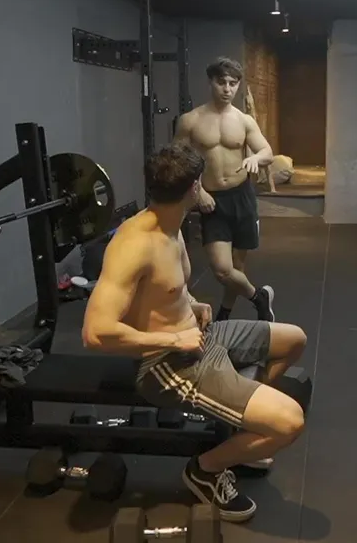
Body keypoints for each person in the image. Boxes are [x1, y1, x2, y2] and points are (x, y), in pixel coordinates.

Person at [83, 143, 308, 523]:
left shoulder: (171, 223)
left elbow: (165, 288)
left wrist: (191, 303)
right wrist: (173, 339)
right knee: (290, 422)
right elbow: (95, 332)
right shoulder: (134, 244)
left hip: (199, 335)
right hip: (167, 363)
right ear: (193, 188)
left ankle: (241, 433)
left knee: (293, 340)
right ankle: (206, 469)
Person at [174, 57, 277, 322]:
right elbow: (177, 161)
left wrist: (256, 158)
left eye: (233, 83)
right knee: (222, 270)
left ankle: (225, 315)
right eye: (222, 82)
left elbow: (267, 151)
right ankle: (259, 297)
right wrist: (198, 191)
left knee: (237, 267)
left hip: (241, 197)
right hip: (213, 201)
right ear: (211, 82)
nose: (227, 89)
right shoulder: (190, 120)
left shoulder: (244, 121)